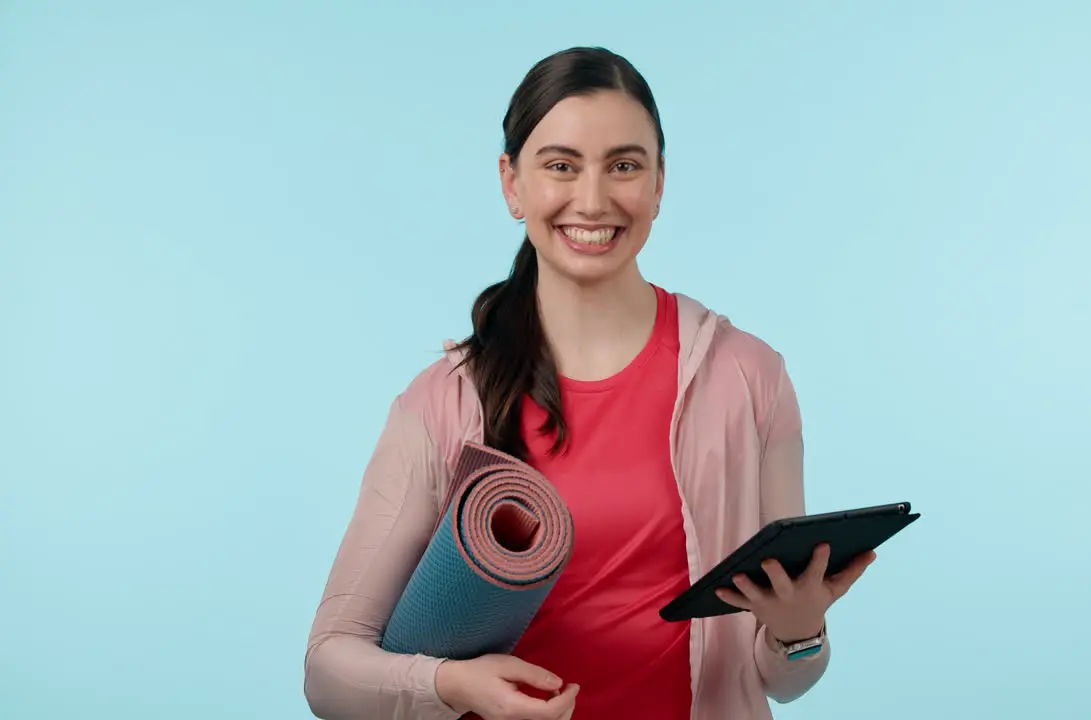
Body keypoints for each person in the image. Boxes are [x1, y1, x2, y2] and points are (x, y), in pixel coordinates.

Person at [302, 46, 877, 720]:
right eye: (560, 166)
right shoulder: (443, 402)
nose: (594, 199)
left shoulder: (748, 377)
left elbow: (783, 681)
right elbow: (329, 671)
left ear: (660, 182)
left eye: (625, 166)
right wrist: (451, 687)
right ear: (511, 183)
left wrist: (799, 631)